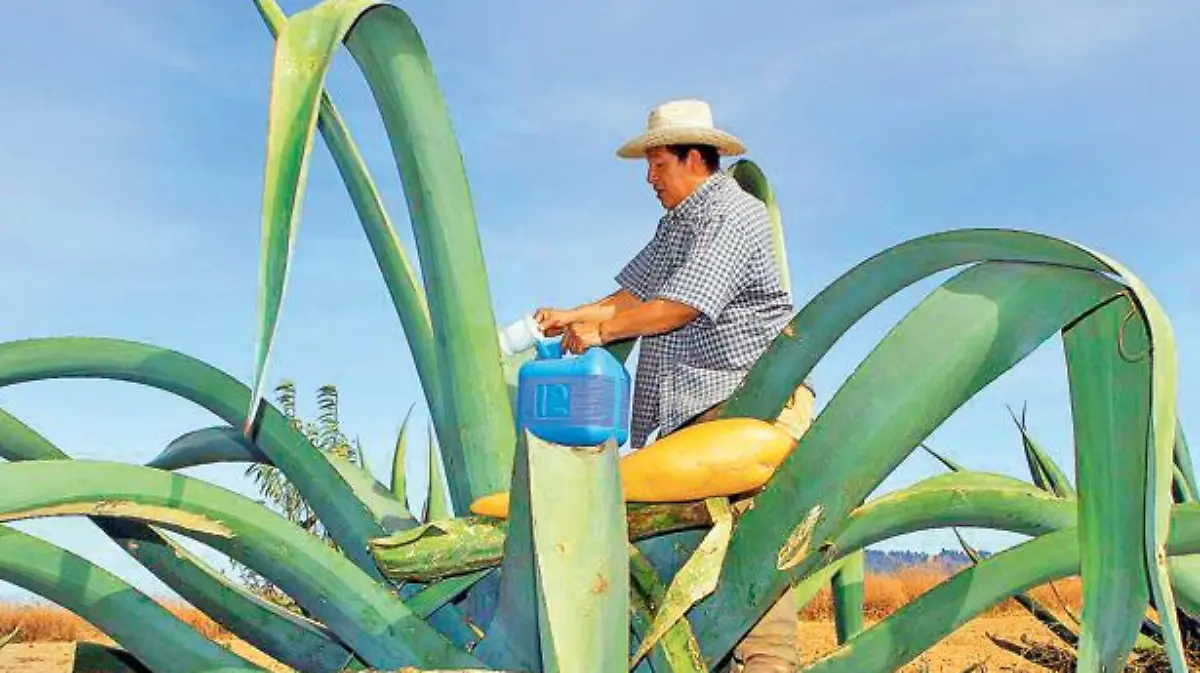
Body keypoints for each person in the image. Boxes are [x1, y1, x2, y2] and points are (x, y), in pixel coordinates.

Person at [534, 98, 814, 672]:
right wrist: (571, 315)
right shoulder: (677, 225)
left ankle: (769, 666)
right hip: (699, 412)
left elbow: (682, 305)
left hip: (748, 405)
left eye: (658, 164)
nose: (649, 178)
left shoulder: (733, 215)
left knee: (756, 545)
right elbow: (633, 295)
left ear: (694, 159)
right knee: (695, 556)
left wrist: (602, 328)